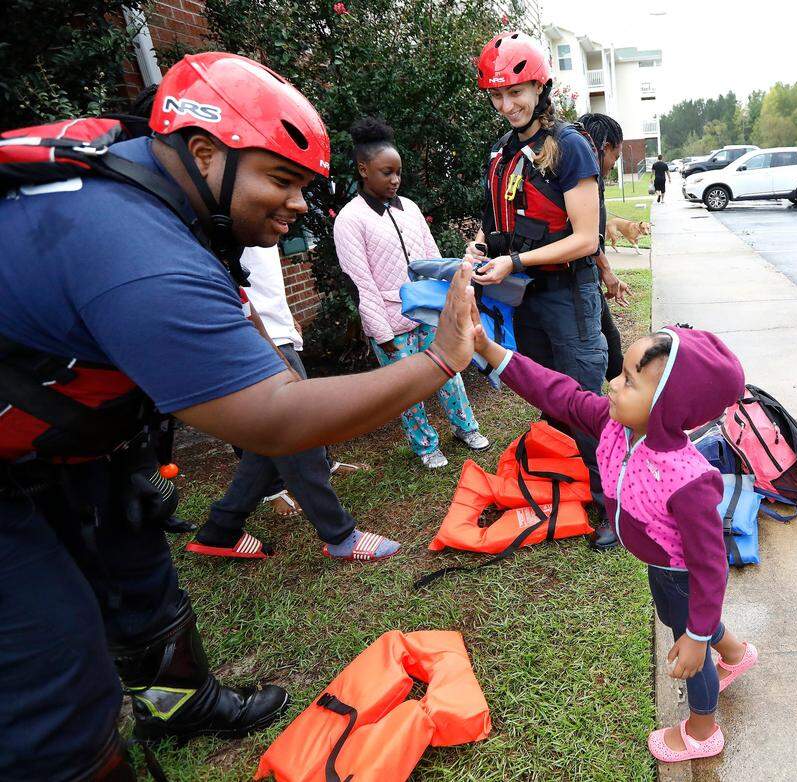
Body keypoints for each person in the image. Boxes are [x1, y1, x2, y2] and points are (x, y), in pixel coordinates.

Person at [0, 52, 481, 779]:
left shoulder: (160, 196)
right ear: (202, 153)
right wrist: (438, 361)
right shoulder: (134, 245)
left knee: (136, 566)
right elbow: (274, 417)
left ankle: (179, 704)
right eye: (280, 180)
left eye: (304, 186)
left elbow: (252, 352)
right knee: (55, 663)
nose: (296, 206)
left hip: (69, 441)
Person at [472, 322, 759, 762]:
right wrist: (490, 351)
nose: (611, 384)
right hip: (660, 565)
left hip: (681, 574)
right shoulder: (614, 424)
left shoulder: (689, 481)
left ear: (665, 405)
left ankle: (704, 729)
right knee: (677, 618)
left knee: (688, 648)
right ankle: (736, 653)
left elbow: (710, 566)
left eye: (628, 380)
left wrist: (698, 637)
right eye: (620, 373)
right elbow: (557, 393)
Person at [465, 32, 613, 546]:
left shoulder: (569, 147)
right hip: (524, 296)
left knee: (586, 400)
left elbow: (586, 238)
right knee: (547, 396)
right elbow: (495, 221)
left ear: (540, 86)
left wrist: (515, 260)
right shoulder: (501, 151)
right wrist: (479, 249)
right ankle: (566, 476)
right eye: (497, 95)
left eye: (516, 92)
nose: (507, 105)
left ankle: (612, 504)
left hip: (569, 296)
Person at [188, 244, 398, 562]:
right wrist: (266, 342)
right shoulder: (210, 223)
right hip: (254, 342)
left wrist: (282, 320)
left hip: (271, 332)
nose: (298, 206)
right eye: (284, 189)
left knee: (275, 437)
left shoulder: (236, 222)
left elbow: (247, 288)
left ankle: (221, 528)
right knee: (300, 437)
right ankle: (341, 536)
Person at [334, 117, 489, 470]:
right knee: (407, 392)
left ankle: (466, 427)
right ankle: (425, 446)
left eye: (398, 172)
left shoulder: (410, 209)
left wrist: (452, 304)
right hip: (390, 321)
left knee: (450, 372)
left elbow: (433, 262)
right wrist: (381, 333)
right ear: (363, 170)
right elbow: (362, 285)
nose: (395, 180)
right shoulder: (349, 219)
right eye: (386, 172)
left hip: (428, 312)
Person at [579, 112, 634, 385]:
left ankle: (629, 416)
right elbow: (584, 237)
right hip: (576, 286)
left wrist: (606, 274)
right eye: (617, 154)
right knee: (598, 359)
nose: (615, 163)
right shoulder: (581, 180)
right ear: (605, 146)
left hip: (587, 280)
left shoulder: (590, 179)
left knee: (612, 350)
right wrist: (607, 271)